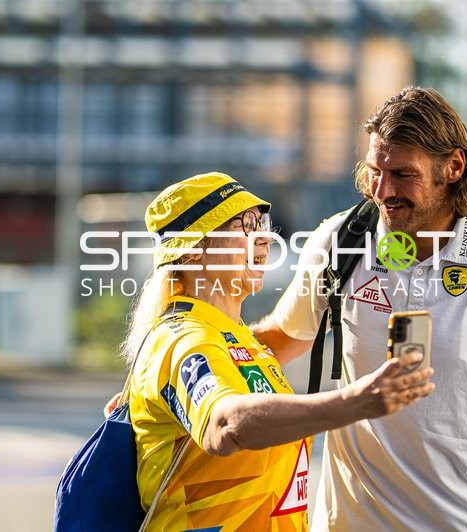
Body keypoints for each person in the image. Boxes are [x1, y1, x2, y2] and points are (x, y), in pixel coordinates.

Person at [252, 87, 467, 531]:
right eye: (375, 171)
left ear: (454, 166)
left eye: (403, 174)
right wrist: (168, 369)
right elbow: (277, 340)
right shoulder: (340, 241)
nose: (382, 191)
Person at [121, 171, 435, 531]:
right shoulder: (184, 338)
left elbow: (285, 335)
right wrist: (354, 402)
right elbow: (224, 425)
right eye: (246, 225)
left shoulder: (237, 337)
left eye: (263, 223)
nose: (264, 239)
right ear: (194, 251)